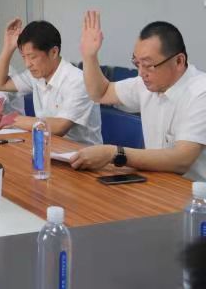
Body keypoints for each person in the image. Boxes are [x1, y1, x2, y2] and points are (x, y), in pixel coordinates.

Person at [71, 11, 206, 180]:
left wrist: (115, 153)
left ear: (179, 61)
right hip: (157, 182)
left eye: (148, 65)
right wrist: (89, 56)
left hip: (193, 192)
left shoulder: (200, 92)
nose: (141, 73)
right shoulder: (145, 84)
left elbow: (181, 160)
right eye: (137, 63)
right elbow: (101, 93)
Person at [0, 18, 102, 145]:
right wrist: (8, 47)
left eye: (32, 57)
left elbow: (59, 127)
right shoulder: (36, 75)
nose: (27, 64)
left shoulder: (78, 80)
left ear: (54, 52)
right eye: (24, 57)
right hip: (49, 147)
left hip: (81, 152)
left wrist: (10, 119)